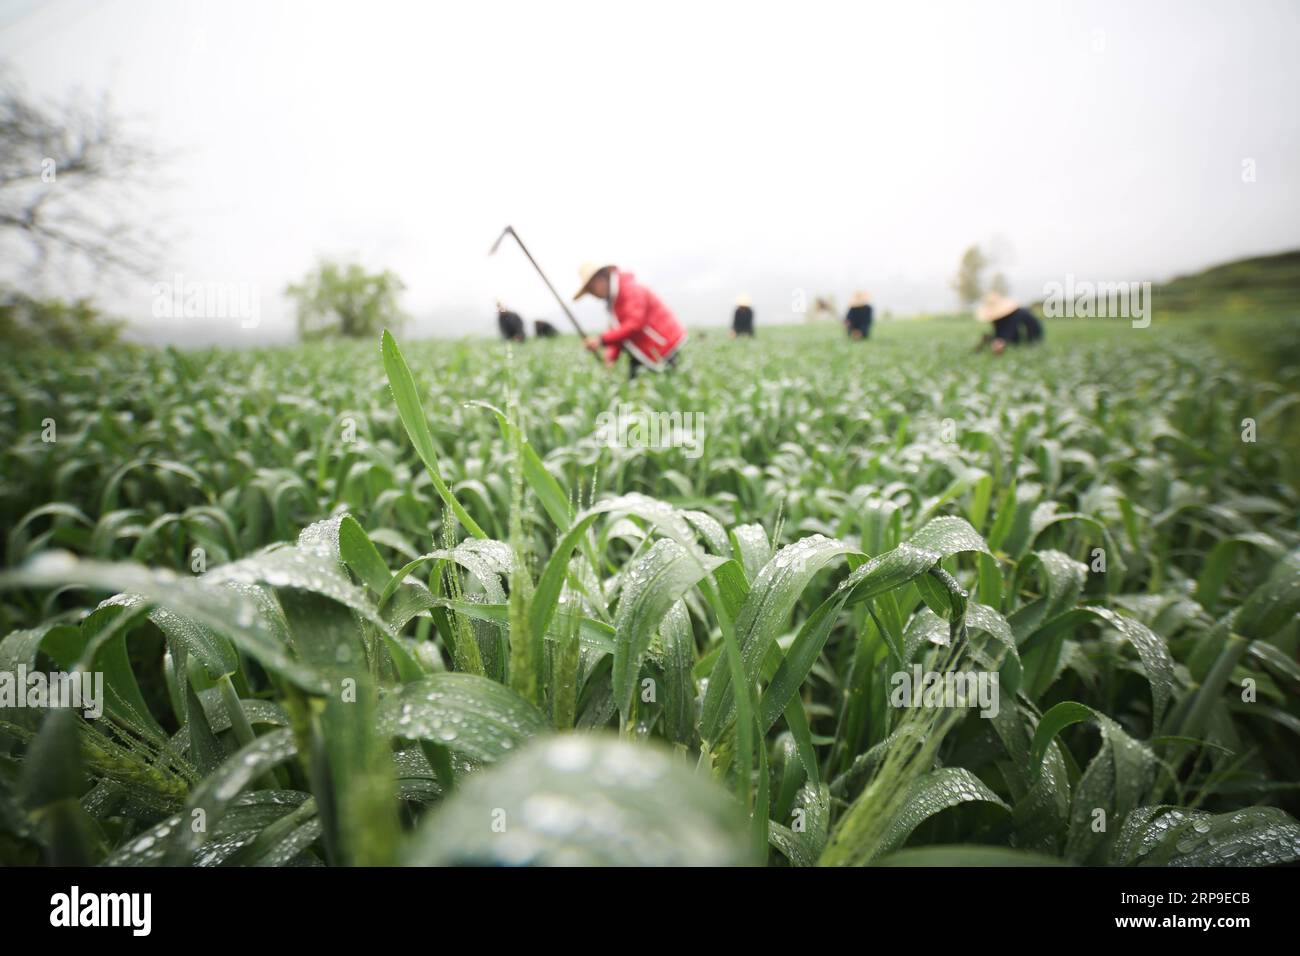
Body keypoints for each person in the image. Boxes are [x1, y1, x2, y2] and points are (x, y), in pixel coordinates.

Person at [574, 262, 687, 378]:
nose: (593, 295)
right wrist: (610, 358)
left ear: (600, 279)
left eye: (592, 289)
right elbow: (618, 332)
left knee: (671, 380)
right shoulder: (613, 300)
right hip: (644, 347)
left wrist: (600, 340)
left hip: (661, 343)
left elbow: (635, 324)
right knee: (636, 386)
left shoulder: (629, 289)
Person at [974, 291, 1044, 353]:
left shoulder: (1016, 314)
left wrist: (1000, 342)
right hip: (1018, 336)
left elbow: (1009, 332)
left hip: (1032, 338)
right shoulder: (1001, 319)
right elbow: (1000, 332)